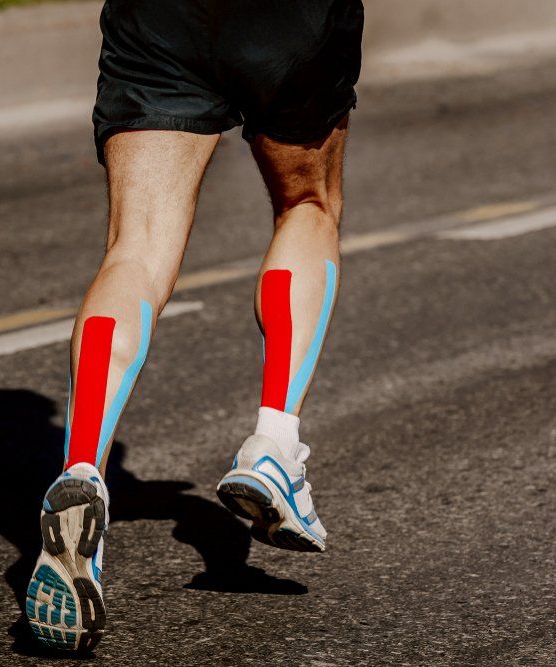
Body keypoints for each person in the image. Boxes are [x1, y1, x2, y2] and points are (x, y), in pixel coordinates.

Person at [26, 0, 364, 651]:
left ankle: (82, 468)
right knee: (307, 203)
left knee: (136, 250)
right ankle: (274, 444)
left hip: (161, 18)